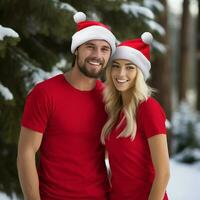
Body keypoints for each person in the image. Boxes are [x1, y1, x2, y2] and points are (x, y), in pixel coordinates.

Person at [17, 11, 116, 200]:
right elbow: (26, 153)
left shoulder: (109, 100)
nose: (97, 55)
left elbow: (118, 157)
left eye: (104, 49)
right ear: (76, 49)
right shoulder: (45, 93)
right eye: (90, 47)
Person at [101, 32, 170, 200]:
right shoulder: (114, 111)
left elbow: (163, 173)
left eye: (129, 67)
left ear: (140, 73)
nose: (121, 73)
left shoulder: (148, 108)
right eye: (116, 66)